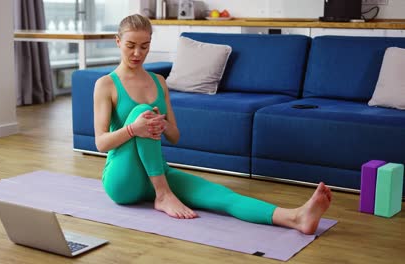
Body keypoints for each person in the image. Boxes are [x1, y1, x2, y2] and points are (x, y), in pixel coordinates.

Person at [93, 14, 332, 235]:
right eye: (131, 46)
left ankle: (295, 218)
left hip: (156, 173)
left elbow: (175, 136)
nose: (137, 53)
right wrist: (135, 128)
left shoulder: (159, 82)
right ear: (118, 42)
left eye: (144, 47)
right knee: (142, 112)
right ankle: (163, 195)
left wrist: (160, 124)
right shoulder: (106, 84)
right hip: (122, 179)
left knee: (221, 196)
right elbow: (101, 143)